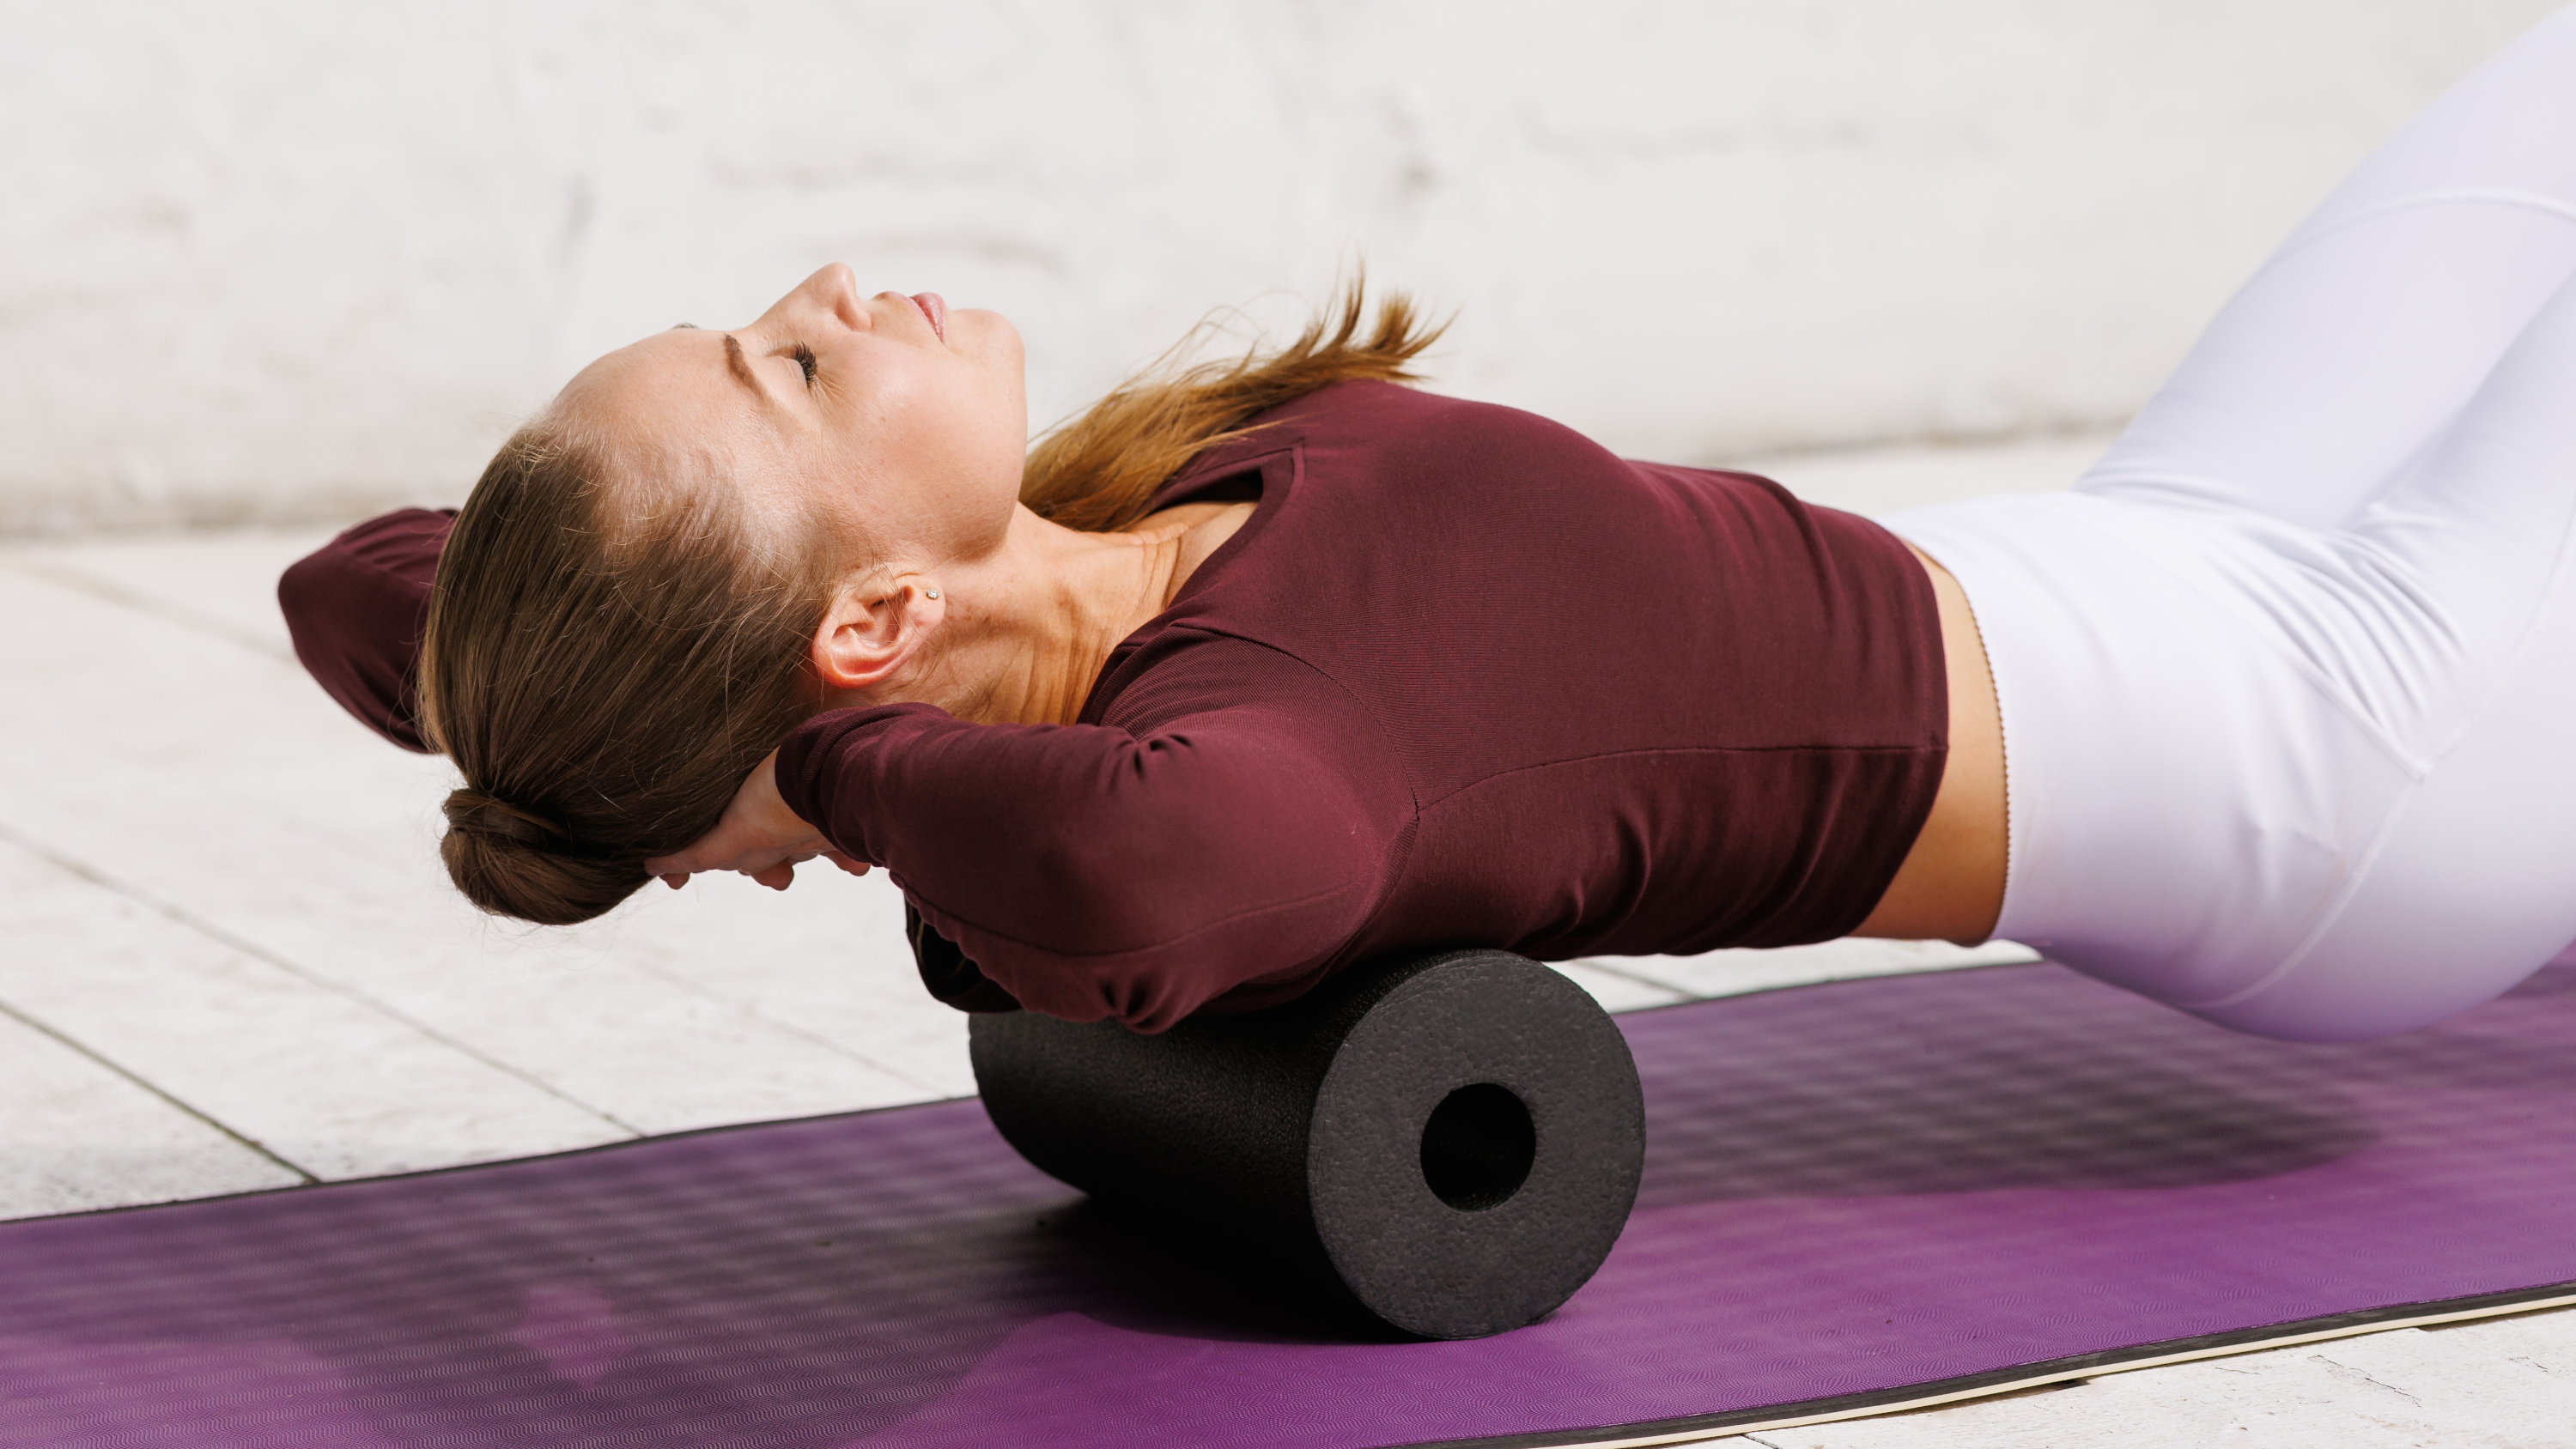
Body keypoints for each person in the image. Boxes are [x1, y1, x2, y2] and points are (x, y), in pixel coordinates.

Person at [283, 8, 2576, 1044]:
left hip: (2182, 547)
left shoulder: (1112, 533)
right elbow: (1152, 880)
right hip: (2352, 768)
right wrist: (821, 776)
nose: (824, 295)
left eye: (749, 322)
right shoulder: (1274, 738)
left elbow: (375, 594)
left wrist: (729, 743)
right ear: (874, 615)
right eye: (792, 371)